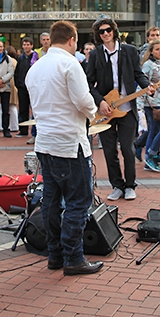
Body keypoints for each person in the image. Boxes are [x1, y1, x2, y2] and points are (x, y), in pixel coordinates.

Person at [26, 20, 102, 276]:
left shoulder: (35, 68)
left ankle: (55, 254)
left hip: (45, 142)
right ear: (72, 40)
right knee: (78, 201)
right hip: (69, 143)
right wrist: (94, 112)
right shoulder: (70, 64)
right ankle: (74, 257)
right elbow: (83, 100)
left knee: (51, 201)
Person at [86, 17, 151, 201]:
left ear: (114, 30)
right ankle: (117, 185)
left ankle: (130, 185)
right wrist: (100, 102)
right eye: (101, 31)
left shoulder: (130, 51)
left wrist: (148, 86)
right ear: (98, 35)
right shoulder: (96, 54)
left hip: (127, 108)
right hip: (106, 109)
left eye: (108, 30)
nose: (106, 33)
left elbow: (138, 75)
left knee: (128, 149)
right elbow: (89, 83)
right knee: (109, 150)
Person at [139, 39, 160, 172]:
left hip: (159, 102)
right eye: (157, 49)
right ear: (151, 51)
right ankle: (151, 155)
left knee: (154, 130)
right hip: (151, 104)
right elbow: (143, 85)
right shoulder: (148, 65)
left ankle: (151, 155)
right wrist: (140, 105)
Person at [14, 36, 39, 144]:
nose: (26, 46)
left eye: (28, 44)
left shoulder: (35, 57)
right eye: (24, 44)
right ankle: (23, 130)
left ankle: (35, 132)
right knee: (23, 109)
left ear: (32, 45)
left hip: (33, 87)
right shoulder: (20, 58)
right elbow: (17, 72)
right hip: (22, 87)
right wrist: (18, 84)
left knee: (35, 110)